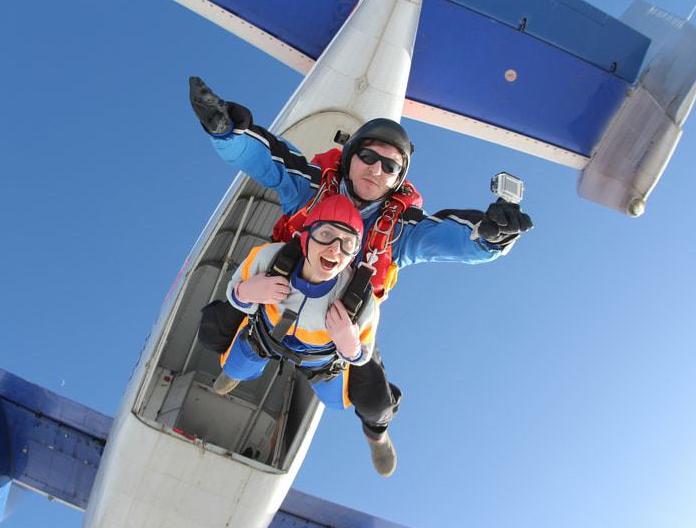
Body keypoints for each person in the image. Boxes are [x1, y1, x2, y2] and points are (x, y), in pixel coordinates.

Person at [189, 76, 534, 475]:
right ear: (350, 156)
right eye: (368, 157)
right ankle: (233, 375)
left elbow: (448, 238)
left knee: (376, 400)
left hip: (337, 337)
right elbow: (270, 160)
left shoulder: (400, 230)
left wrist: (492, 237)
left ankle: (378, 435)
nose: (375, 170)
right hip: (278, 305)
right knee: (215, 328)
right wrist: (228, 132)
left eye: (390, 166)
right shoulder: (312, 189)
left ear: (398, 180)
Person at [213, 194, 392, 475]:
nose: (335, 249)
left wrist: (349, 344)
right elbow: (233, 290)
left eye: (347, 243)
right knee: (234, 364)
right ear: (305, 236)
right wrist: (247, 292)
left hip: (321, 362)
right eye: (326, 234)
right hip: (265, 338)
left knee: (335, 403)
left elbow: (363, 354)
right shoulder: (270, 257)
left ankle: (377, 434)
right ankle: (234, 374)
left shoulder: (361, 297)